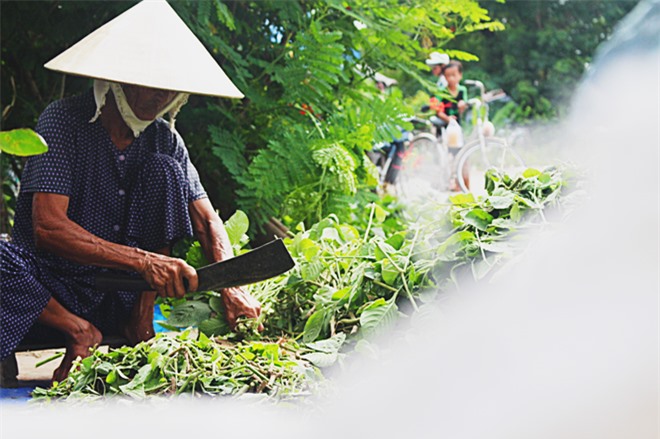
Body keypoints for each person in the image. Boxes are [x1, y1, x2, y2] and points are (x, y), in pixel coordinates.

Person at [0, 1, 261, 381]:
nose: (161, 96)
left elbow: (207, 222)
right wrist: (144, 261)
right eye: (151, 84)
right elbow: (48, 227)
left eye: (169, 87)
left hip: (121, 298)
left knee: (166, 170)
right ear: (116, 78)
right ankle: (78, 331)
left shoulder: (165, 141)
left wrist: (232, 287)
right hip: (50, 291)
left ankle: (141, 323)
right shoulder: (62, 121)